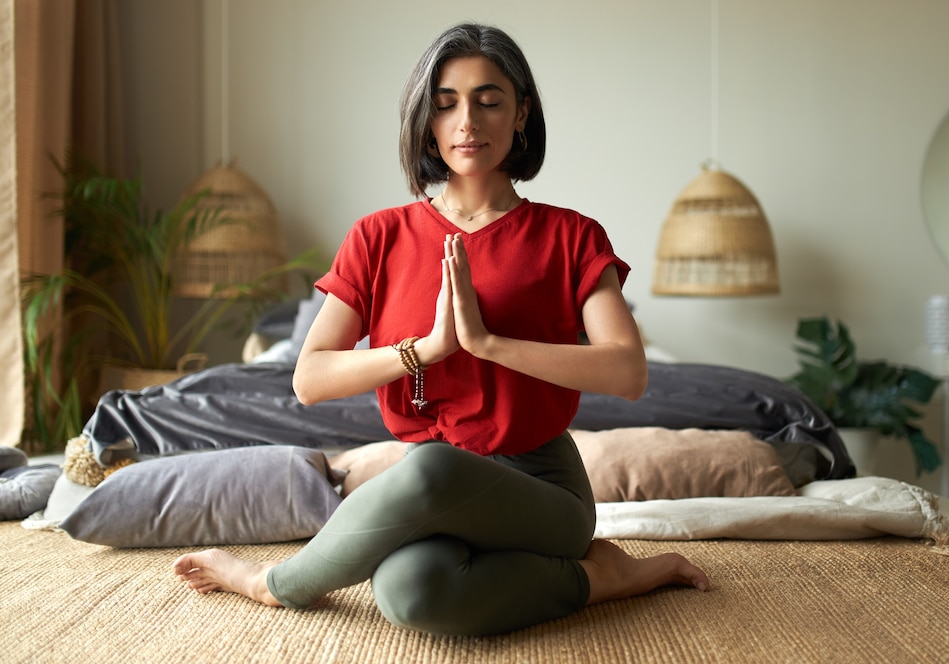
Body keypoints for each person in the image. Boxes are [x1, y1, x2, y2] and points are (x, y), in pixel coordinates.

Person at [173, 22, 709, 637]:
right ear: (426, 120)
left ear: (520, 114)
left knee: (428, 471)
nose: (467, 122)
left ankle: (270, 584)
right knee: (410, 593)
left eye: (489, 100)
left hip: (542, 491)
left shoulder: (571, 236)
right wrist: (424, 351)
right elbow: (309, 379)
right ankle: (603, 578)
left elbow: (629, 371)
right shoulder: (378, 236)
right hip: (433, 480)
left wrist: (488, 344)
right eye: (447, 103)